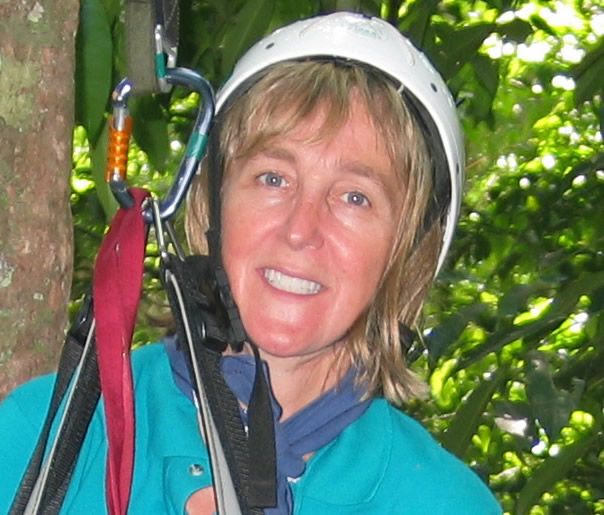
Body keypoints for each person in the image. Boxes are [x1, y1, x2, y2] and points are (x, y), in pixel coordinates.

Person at [0, 12, 501, 514]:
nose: (301, 229)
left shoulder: (442, 502)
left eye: (354, 197)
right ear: (212, 204)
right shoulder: (43, 437)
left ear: (406, 252)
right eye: (273, 179)